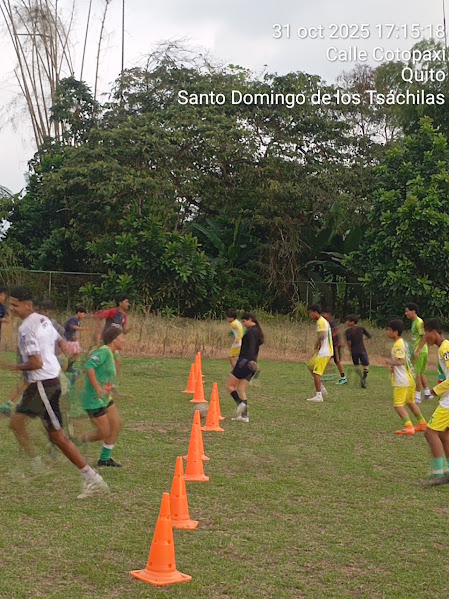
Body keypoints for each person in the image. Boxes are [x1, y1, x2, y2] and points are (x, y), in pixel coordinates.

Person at [0, 286, 108, 499]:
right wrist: (62, 358)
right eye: (10, 304)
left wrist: (11, 366)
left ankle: (91, 478)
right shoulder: (43, 320)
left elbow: (36, 363)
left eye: (15, 304)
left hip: (43, 384)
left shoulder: (26, 329)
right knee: (20, 424)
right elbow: (60, 342)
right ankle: (39, 463)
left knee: (55, 436)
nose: (11, 308)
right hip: (45, 382)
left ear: (28, 305)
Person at [79, 326, 125, 467]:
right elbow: (89, 366)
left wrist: (109, 387)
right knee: (103, 432)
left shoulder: (112, 353)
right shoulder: (104, 351)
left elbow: (110, 370)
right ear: (114, 340)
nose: (124, 341)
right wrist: (97, 387)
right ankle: (73, 441)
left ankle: (105, 459)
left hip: (105, 397)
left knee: (116, 424)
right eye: (122, 338)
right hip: (93, 398)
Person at [385, 318, 426, 436]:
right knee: (410, 402)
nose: (387, 332)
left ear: (395, 332)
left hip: (402, 380)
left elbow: (401, 361)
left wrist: (390, 362)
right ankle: (422, 424)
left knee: (398, 405)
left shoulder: (398, 345)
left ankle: (409, 426)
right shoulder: (405, 343)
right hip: (410, 378)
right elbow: (413, 357)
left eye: (389, 330)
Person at [421, 319, 449, 484]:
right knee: (444, 434)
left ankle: (438, 474)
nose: (425, 338)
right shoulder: (444, 347)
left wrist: (434, 391)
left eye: (426, 334)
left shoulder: (445, 348)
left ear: (434, 332)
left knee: (430, 432)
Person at [226, 312, 264, 422]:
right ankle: (244, 416)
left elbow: (251, 347)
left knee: (230, 386)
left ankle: (240, 404)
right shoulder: (257, 331)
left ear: (250, 319)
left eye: (244, 322)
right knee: (241, 389)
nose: (243, 324)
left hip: (245, 362)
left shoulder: (251, 332)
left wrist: (247, 361)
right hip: (252, 364)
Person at [404, 303, 432, 403]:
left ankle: (417, 396)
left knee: (416, 374)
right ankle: (427, 393)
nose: (406, 313)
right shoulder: (414, 322)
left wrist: (418, 350)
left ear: (413, 311)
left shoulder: (419, 322)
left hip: (420, 351)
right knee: (420, 372)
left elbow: (424, 336)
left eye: (407, 311)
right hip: (421, 350)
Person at [306, 304, 333, 402]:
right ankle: (321, 387)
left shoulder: (321, 321)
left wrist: (317, 345)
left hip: (324, 352)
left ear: (315, 312)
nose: (310, 315)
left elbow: (321, 336)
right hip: (323, 351)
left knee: (316, 373)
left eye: (310, 313)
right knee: (310, 365)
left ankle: (319, 396)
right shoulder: (322, 321)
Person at [345, 315, 371, 388]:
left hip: (354, 350)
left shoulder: (348, 331)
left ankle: (361, 377)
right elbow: (368, 336)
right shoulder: (361, 328)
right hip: (362, 349)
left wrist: (350, 350)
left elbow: (349, 342)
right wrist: (362, 340)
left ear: (352, 322)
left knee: (356, 364)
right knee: (366, 364)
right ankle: (364, 378)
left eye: (348, 321)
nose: (347, 322)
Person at [322, 310, 347, 385]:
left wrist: (328, 336)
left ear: (329, 314)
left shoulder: (332, 323)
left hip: (335, 345)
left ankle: (343, 378)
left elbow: (336, 332)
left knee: (337, 361)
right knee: (325, 358)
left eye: (325, 313)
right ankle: (324, 375)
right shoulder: (326, 323)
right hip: (330, 345)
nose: (323, 315)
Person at [64, 306, 88, 372]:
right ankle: (68, 368)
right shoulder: (73, 319)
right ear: (78, 313)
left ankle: (70, 367)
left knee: (76, 354)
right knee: (71, 354)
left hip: (73, 339)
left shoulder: (77, 320)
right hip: (69, 339)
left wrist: (77, 335)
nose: (83, 316)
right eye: (83, 314)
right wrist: (82, 328)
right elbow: (72, 326)